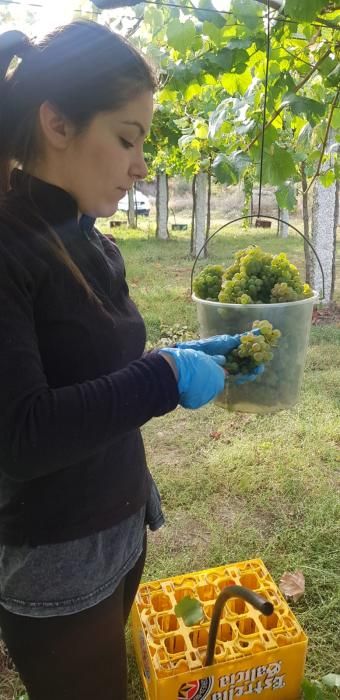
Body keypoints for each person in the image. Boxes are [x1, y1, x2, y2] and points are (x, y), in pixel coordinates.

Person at [0, 20, 261, 700]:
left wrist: (171, 359)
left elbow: (89, 374)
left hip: (116, 514)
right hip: (55, 552)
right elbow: (20, 435)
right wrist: (164, 375)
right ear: (57, 122)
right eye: (126, 139)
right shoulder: (8, 246)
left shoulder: (87, 238)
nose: (141, 167)